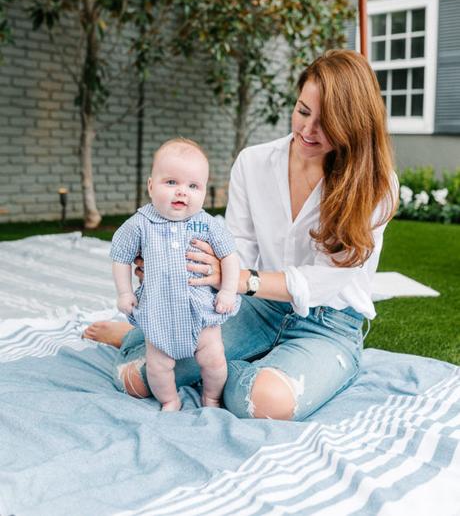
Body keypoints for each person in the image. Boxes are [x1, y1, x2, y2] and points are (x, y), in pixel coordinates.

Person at [85, 49, 398, 421]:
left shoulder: (377, 186)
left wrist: (238, 283)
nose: (307, 131)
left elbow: (327, 280)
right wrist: (177, 264)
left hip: (328, 324)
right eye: (302, 111)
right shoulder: (253, 162)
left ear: (353, 124)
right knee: (138, 379)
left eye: (327, 122)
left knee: (262, 403)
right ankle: (143, 339)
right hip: (257, 307)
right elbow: (236, 247)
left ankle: (248, 367)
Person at [110, 138, 240, 411]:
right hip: (159, 315)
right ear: (150, 186)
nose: (182, 192)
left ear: (204, 191)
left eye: (193, 186)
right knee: (158, 367)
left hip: (202, 315)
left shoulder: (207, 224)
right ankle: (170, 400)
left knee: (215, 360)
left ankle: (212, 397)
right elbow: (120, 256)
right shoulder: (140, 224)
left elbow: (229, 256)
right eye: (171, 183)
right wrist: (124, 292)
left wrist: (227, 291)